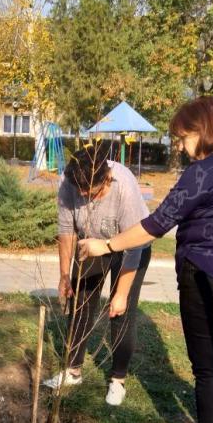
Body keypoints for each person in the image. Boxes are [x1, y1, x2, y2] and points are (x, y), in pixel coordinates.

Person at [80, 96, 213, 423]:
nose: (180, 148)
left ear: (203, 130)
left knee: (209, 369)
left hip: (211, 277)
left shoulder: (205, 171)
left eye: (182, 138)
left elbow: (156, 224)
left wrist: (108, 245)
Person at [43, 145, 151, 406]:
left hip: (129, 247)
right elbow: (67, 229)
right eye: (79, 190)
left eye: (89, 192)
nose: (82, 195)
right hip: (91, 245)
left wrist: (122, 294)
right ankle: (73, 370)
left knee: (121, 311)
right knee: (80, 303)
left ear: (106, 179)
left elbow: (135, 244)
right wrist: (63, 275)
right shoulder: (70, 181)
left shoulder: (123, 184)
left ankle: (117, 380)